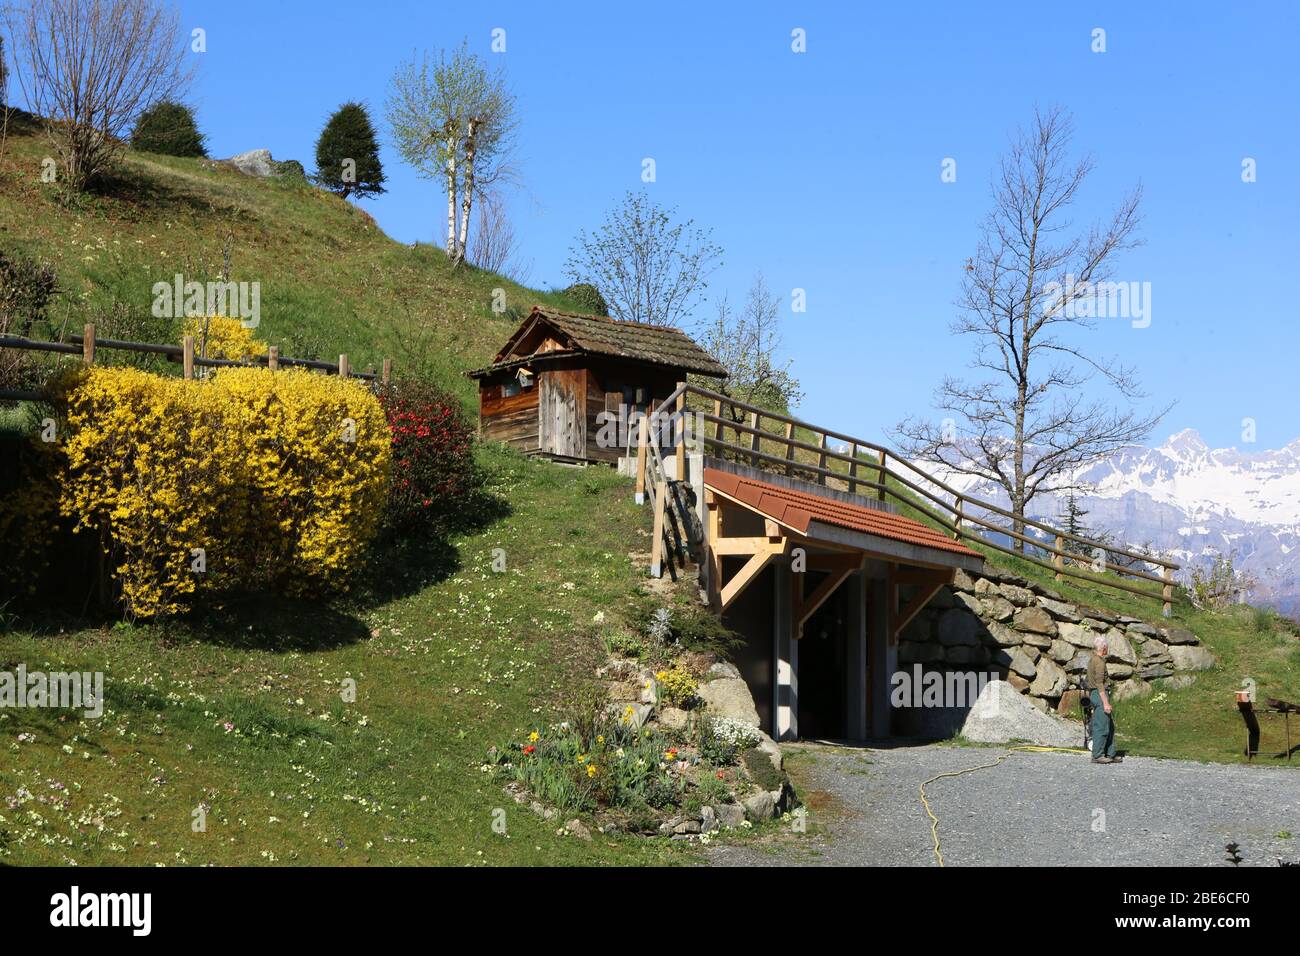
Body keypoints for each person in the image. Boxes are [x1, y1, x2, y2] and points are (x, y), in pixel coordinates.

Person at [1087, 634, 1121, 764]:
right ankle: (1097, 755)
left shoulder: (1093, 659)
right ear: (1104, 648)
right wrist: (1105, 702)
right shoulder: (1099, 662)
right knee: (1102, 725)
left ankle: (1110, 753)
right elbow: (1099, 683)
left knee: (1109, 725)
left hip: (1096, 694)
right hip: (1100, 694)